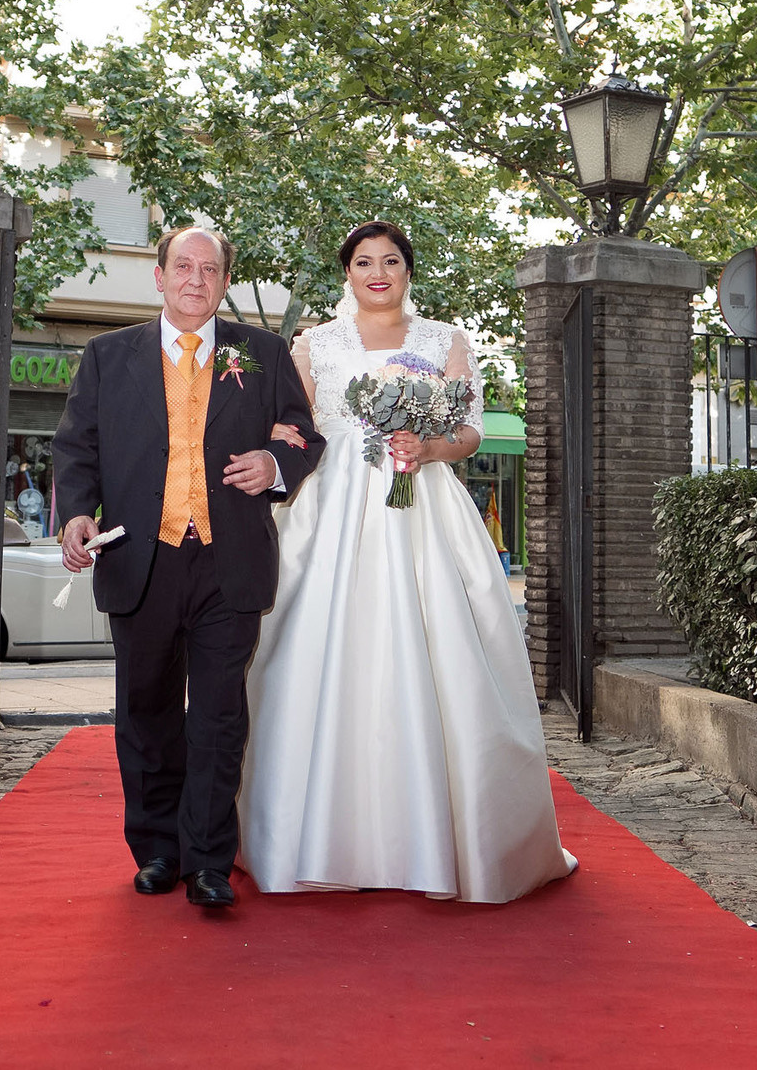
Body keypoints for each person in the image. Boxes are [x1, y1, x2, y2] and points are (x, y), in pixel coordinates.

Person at [238, 220, 576, 903]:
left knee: (436, 649)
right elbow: (292, 426)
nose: (378, 272)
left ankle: (445, 837)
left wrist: (428, 447)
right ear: (348, 272)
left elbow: (470, 430)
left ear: (408, 271)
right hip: (329, 512)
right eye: (364, 261)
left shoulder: (444, 340)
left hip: (421, 506)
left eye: (391, 260)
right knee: (314, 651)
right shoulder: (313, 344)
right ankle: (311, 834)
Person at [51, 227, 324, 909]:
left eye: (209, 268)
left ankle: (207, 860)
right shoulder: (108, 355)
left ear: (225, 281)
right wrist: (77, 513)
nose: (195, 279)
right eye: (183, 265)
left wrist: (275, 463)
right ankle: (157, 850)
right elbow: (77, 447)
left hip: (230, 560)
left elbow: (302, 432)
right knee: (145, 711)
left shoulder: (260, 352)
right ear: (160, 276)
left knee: (219, 715)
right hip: (139, 558)